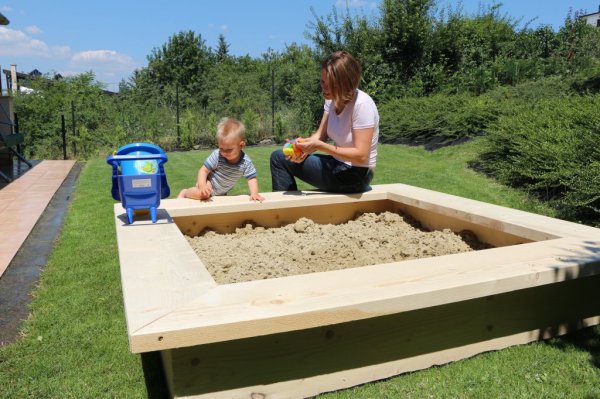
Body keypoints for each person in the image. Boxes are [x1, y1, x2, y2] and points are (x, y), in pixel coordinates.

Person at [270, 50, 379, 193]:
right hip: (337, 165)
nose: (324, 87)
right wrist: (301, 147)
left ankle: (282, 211)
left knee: (278, 159)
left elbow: (361, 155)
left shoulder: (362, 105)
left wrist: (321, 146)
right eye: (322, 82)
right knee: (281, 156)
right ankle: (286, 209)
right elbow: (320, 136)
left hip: (357, 175)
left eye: (331, 84)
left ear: (346, 83)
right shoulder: (331, 101)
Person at [178, 118, 265, 202]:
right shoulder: (217, 155)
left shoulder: (246, 162)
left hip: (222, 192)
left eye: (229, 150)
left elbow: (251, 178)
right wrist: (202, 186)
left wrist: (254, 194)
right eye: (221, 148)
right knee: (203, 195)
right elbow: (203, 171)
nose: (224, 153)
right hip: (209, 183)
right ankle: (185, 192)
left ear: (241, 145)